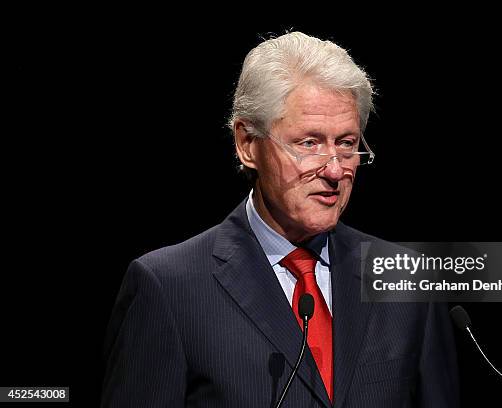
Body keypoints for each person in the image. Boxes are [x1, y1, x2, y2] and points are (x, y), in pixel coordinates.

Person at [102, 31, 459, 407]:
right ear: (247, 144)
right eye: (309, 143)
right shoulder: (169, 288)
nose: (335, 170)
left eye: (346, 143)